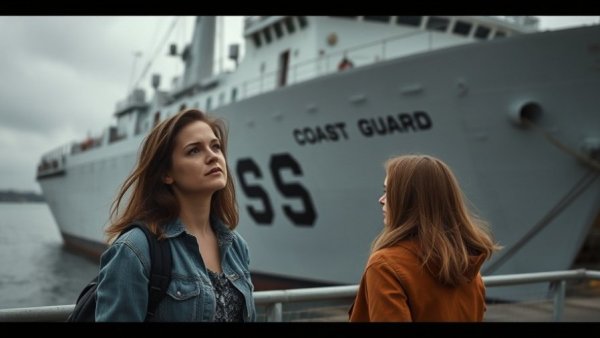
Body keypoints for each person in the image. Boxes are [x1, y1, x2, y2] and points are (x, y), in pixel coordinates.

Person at [95, 108, 256, 322]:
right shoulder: (135, 250)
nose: (213, 156)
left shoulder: (237, 246)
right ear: (166, 174)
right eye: (194, 151)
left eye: (215, 146)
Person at [349, 154, 501, 322]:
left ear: (410, 200)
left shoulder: (385, 265)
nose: (381, 200)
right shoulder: (467, 265)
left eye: (388, 192)